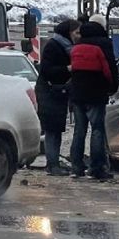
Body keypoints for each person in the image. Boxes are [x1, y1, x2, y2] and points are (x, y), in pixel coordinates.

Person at [68, 14, 119, 180]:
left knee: (79, 131)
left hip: (77, 94)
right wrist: (112, 87)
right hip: (96, 93)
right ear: (102, 26)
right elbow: (109, 69)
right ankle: (97, 168)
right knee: (97, 130)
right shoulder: (104, 43)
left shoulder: (77, 44)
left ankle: (76, 167)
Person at [35, 19, 81, 176]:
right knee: (52, 130)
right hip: (49, 92)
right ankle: (52, 164)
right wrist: (67, 68)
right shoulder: (54, 46)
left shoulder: (64, 46)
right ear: (68, 32)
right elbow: (47, 70)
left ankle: (54, 163)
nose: (78, 36)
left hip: (58, 92)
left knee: (56, 129)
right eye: (76, 32)